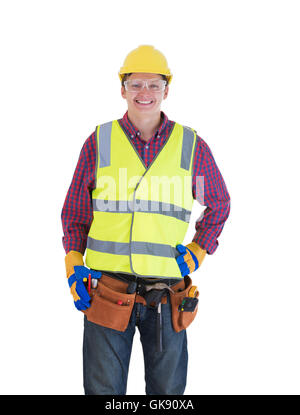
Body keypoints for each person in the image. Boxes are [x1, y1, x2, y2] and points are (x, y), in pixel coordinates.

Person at [61, 45, 230, 395]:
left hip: (166, 296)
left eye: (154, 85)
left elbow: (219, 203)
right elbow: (75, 215)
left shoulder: (191, 147)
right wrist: (73, 263)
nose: (145, 93)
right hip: (106, 291)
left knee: (167, 395)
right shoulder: (99, 142)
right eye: (136, 84)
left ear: (167, 90)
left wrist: (200, 249)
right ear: (122, 88)